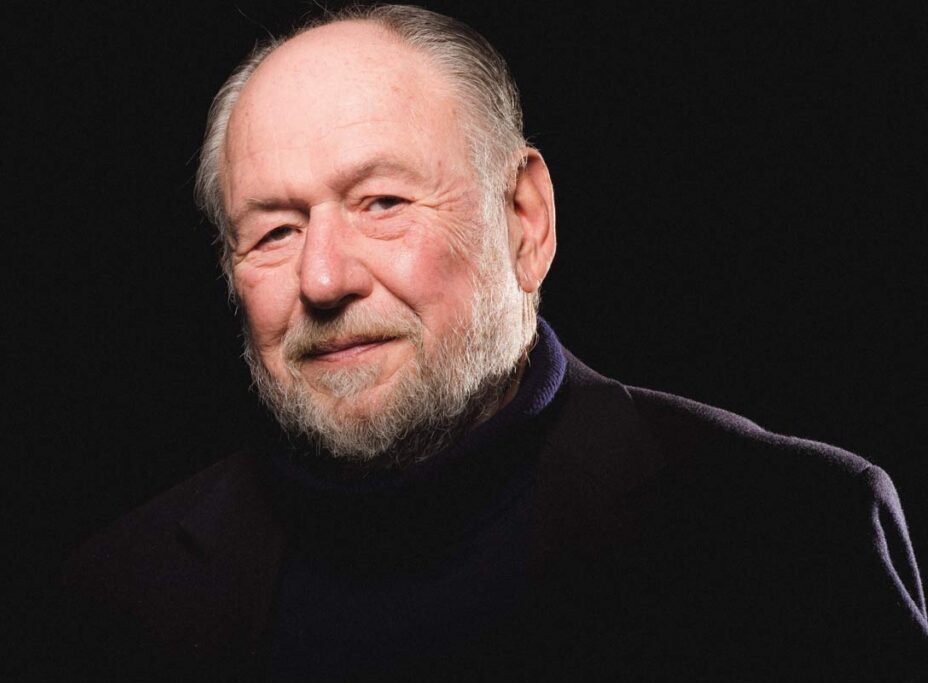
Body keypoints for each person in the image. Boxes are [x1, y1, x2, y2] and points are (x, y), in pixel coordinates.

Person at [63, 5, 928, 679]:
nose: (323, 280)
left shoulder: (786, 535)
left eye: (383, 202)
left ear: (525, 221)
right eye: (276, 230)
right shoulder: (115, 600)